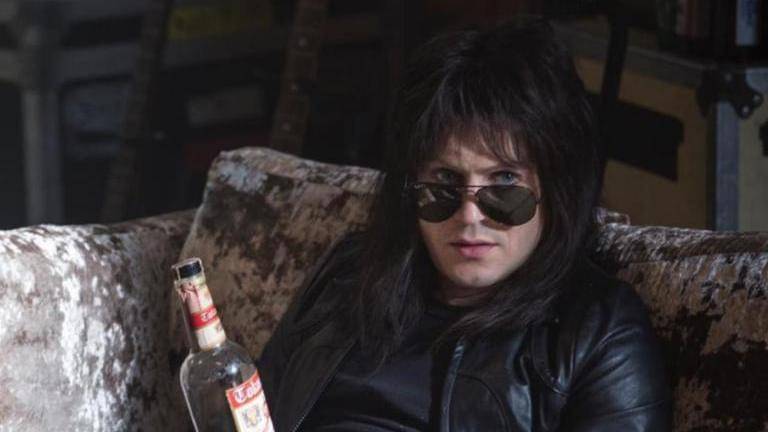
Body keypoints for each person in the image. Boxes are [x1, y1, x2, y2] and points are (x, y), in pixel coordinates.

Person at [257, 15, 671, 432]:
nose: (469, 216)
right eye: (444, 180)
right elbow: (248, 414)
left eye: (504, 182)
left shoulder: (600, 332)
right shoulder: (348, 274)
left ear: (557, 187)